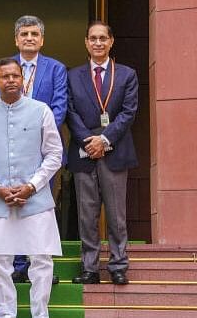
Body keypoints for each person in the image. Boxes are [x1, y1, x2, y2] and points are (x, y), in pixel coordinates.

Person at [0, 57, 63, 318]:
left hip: (36, 199)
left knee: (41, 260)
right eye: (4, 77)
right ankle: (6, 313)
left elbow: (54, 153)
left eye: (15, 76)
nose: (10, 80)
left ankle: (40, 313)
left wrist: (32, 185)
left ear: (23, 79)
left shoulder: (41, 110)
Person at [0, 15, 67, 285]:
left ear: (42, 39)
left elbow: (59, 107)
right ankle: (17, 265)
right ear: (16, 39)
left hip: (43, 152)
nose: (29, 38)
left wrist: (36, 134)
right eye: (24, 34)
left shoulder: (56, 69)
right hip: (7, 151)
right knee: (11, 206)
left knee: (39, 207)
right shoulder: (3, 69)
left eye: (34, 34)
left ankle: (40, 262)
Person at [67, 21, 138, 285]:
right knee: (87, 215)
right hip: (83, 152)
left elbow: (129, 112)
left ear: (111, 41)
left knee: (117, 215)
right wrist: (89, 140)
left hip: (116, 151)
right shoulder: (72, 75)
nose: (98, 43)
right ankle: (90, 268)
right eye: (93, 38)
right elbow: (70, 112)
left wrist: (104, 139)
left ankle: (118, 265)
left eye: (102, 38)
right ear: (86, 42)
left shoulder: (127, 74)